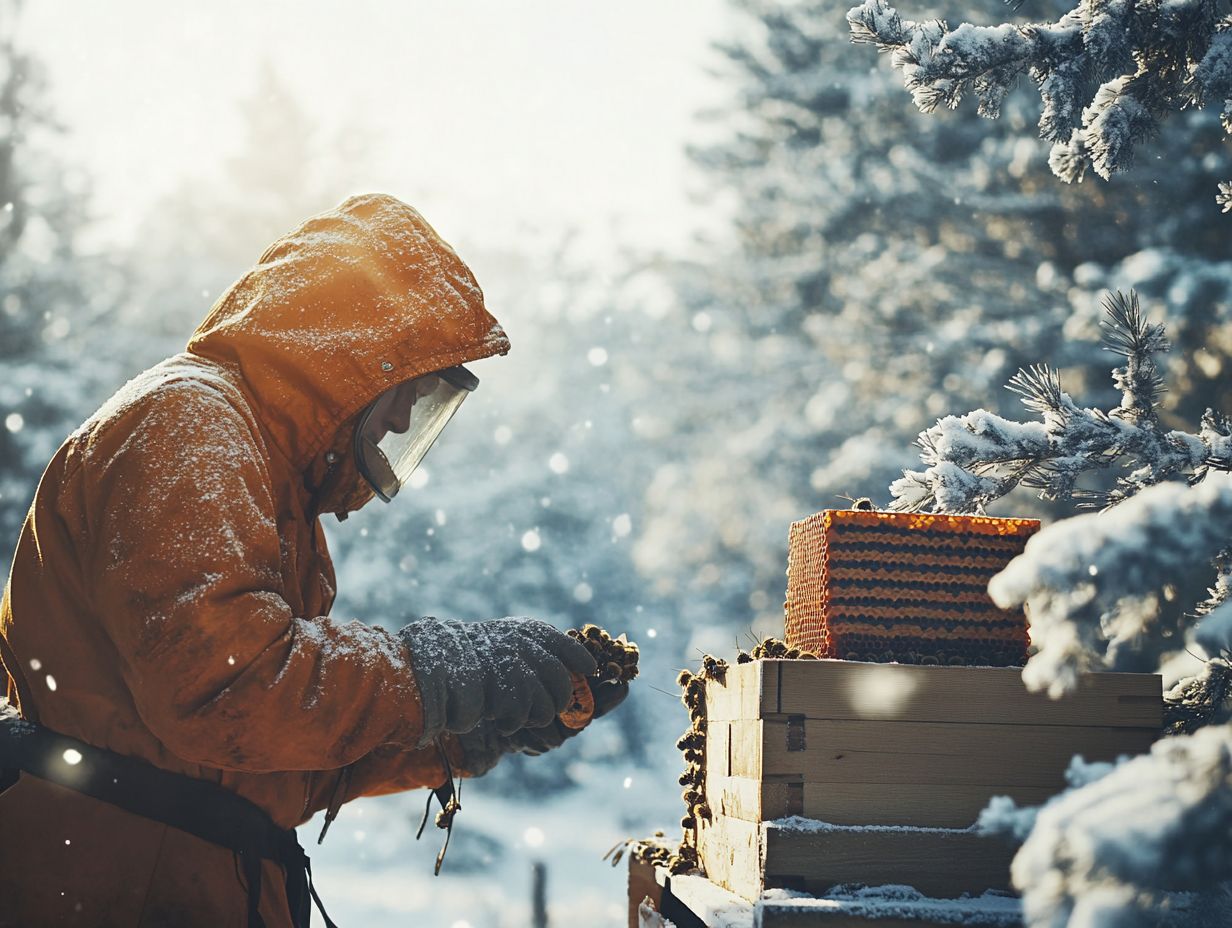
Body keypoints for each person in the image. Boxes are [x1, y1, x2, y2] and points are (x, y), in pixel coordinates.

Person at [0, 194, 625, 927]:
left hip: (160, 884)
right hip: (110, 891)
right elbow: (224, 692)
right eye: (407, 390)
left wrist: (461, 728)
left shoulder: (269, 482)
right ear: (352, 352)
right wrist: (435, 676)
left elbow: (271, 761)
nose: (400, 421)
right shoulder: (192, 426)